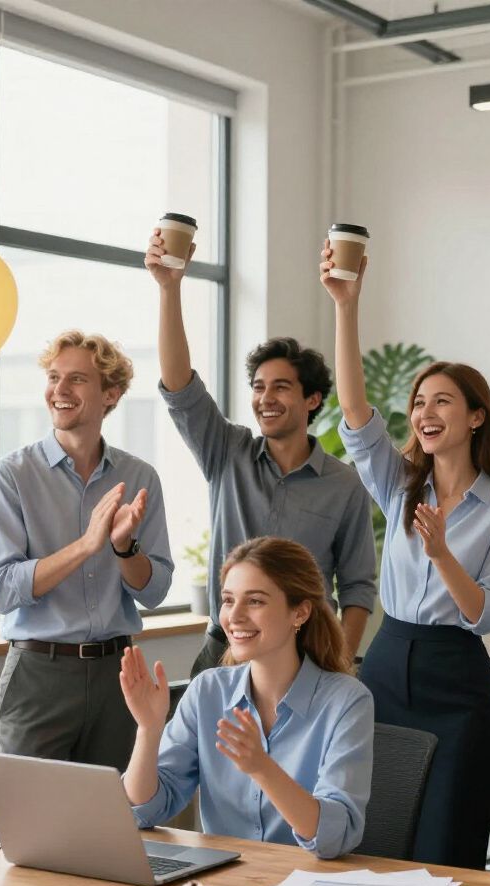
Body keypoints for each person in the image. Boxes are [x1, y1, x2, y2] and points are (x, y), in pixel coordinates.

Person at [321, 242, 490, 869]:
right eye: (419, 402)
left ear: (476, 417)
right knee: (377, 833)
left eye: (443, 402)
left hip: (457, 679)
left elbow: (487, 615)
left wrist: (441, 554)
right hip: (387, 661)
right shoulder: (400, 483)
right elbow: (355, 413)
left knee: (445, 839)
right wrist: (346, 305)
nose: (425, 413)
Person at [145, 230, 377, 677]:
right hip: (222, 651)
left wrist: (338, 665)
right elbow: (180, 386)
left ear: (312, 400)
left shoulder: (343, 483)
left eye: (281, 387)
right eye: (258, 387)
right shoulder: (226, 452)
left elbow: (357, 587)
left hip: (306, 657)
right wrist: (169, 288)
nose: (265, 398)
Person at [0, 330, 174, 772]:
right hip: (38, 672)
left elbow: (155, 589)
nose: (59, 391)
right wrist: (87, 546)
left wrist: (124, 549)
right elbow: (0, 590)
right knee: (31, 820)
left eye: (77, 380)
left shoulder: (140, 477)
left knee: (115, 821)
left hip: (116, 674)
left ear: (111, 394)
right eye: (53, 377)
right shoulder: (10, 476)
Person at [120, 537, 373, 858]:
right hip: (224, 885)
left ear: (300, 612)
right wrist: (148, 729)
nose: (234, 616)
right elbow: (145, 811)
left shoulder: (347, 701)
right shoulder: (207, 691)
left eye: (255, 601)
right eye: (228, 600)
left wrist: (262, 767)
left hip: (309, 885)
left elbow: (334, 838)